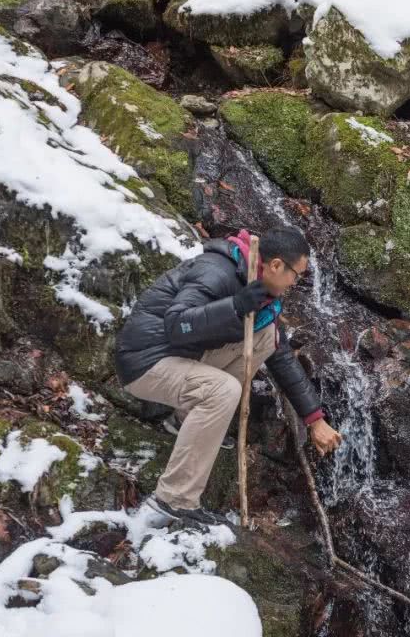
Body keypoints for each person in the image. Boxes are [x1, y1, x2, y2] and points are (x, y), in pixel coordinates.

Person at [115, 225, 343, 525]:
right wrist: (234, 307)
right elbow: (177, 326)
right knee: (223, 390)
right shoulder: (217, 271)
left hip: (183, 358)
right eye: (296, 276)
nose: (294, 283)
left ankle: (185, 420)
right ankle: (174, 499)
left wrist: (314, 419)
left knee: (266, 335)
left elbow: (282, 357)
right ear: (275, 265)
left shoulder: (261, 291)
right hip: (146, 361)